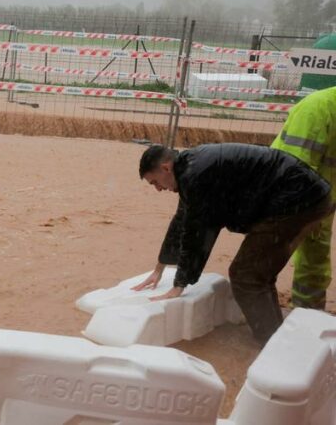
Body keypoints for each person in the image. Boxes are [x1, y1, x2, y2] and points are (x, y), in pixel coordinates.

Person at [135, 143, 334, 345]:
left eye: (155, 182)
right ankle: (276, 334)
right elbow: (182, 221)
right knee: (259, 273)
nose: (159, 189)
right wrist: (160, 267)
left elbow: (197, 233)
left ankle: (271, 344)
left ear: (166, 168)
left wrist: (180, 284)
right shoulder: (190, 169)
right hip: (308, 195)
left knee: (245, 274)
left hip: (299, 200)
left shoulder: (196, 176)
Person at [271, 87, 336, 309]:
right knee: (270, 251)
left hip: (324, 198)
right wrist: (308, 216)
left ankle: (309, 313)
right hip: (287, 195)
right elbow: (295, 170)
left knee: (315, 258)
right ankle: (258, 310)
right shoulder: (317, 109)